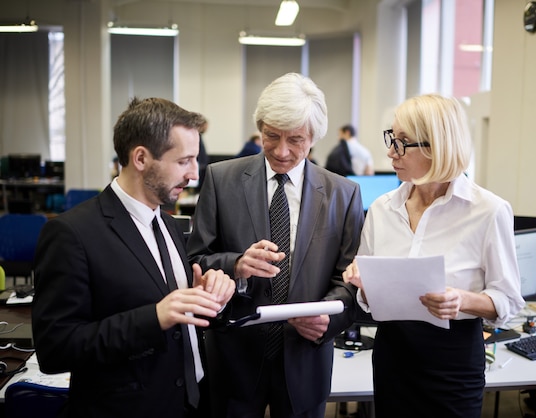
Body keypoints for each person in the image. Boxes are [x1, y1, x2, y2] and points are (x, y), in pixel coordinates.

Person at [32, 97, 236, 418]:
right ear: (140, 158)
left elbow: (180, 321)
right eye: (184, 161)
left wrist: (205, 299)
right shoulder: (72, 234)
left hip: (194, 404)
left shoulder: (168, 223)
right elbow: (56, 349)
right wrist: (153, 317)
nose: (194, 174)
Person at [187, 72, 364, 418]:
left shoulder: (343, 194)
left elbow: (350, 279)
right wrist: (235, 265)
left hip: (305, 359)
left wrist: (327, 317)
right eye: (271, 136)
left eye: (295, 140)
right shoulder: (222, 180)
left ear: (313, 137)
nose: (281, 151)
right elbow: (194, 259)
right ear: (260, 128)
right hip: (234, 357)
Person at [342, 94, 525, 418]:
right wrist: (362, 282)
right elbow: (368, 295)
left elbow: (507, 300)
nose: (389, 152)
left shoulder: (487, 211)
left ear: (436, 147)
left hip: (452, 364)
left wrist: (462, 300)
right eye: (392, 139)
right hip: (392, 357)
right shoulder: (383, 209)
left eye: (401, 143)